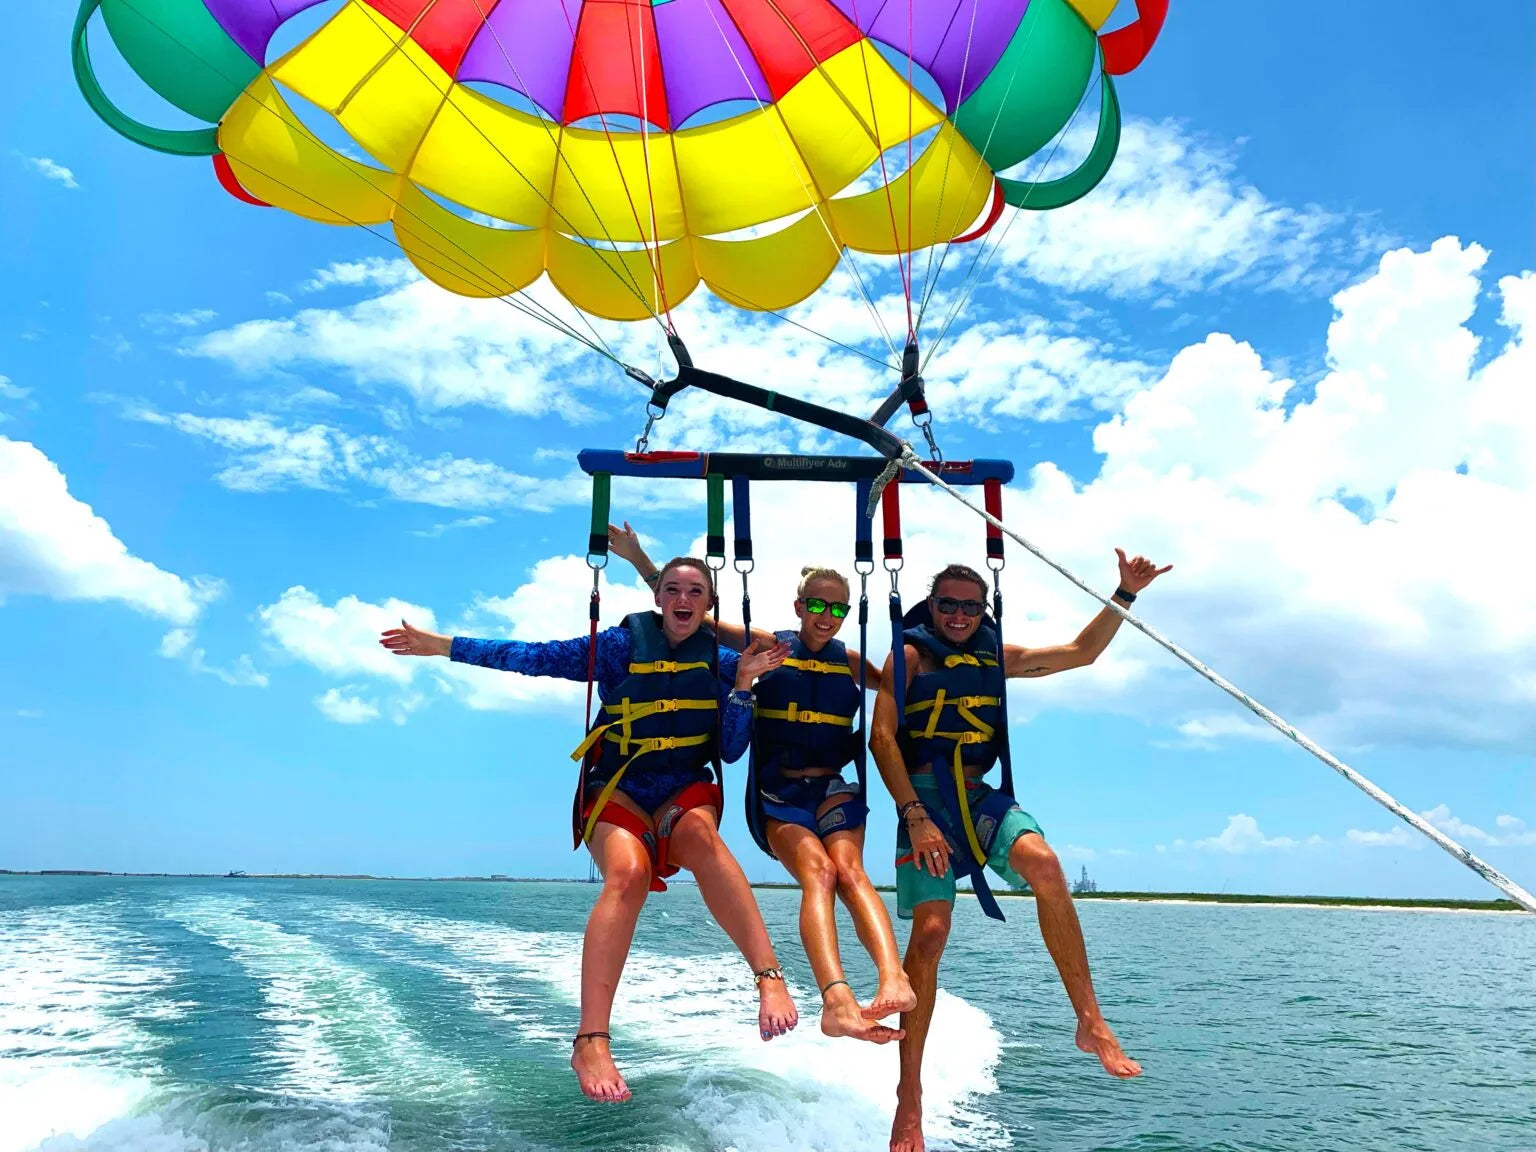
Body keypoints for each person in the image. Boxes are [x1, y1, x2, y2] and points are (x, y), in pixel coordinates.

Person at [379, 556, 799, 1104]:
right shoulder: (622, 648)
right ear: (657, 598)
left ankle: (768, 976)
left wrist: (744, 683)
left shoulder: (723, 663)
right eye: (672, 589)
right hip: (618, 784)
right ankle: (591, 1040)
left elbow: (732, 748)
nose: (683, 598)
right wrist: (444, 646)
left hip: (683, 790)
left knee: (703, 841)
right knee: (626, 873)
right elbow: (530, 657)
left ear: (709, 606)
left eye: (696, 592)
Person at [872, 550, 1171, 1152]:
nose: (958, 614)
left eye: (969, 606)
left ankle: (1090, 1020)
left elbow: (1081, 653)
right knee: (930, 933)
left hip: (979, 797)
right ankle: (910, 1096)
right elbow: (881, 738)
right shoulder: (907, 657)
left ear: (983, 611)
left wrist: (1125, 594)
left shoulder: (995, 658)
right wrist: (915, 816)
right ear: (931, 608)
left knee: (1047, 864)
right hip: (923, 803)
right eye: (947, 604)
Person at [608, 523, 917, 1046]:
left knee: (850, 869)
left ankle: (893, 977)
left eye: (838, 609)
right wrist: (641, 559)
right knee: (818, 873)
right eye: (818, 606)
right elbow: (687, 608)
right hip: (779, 795)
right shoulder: (770, 648)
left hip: (836, 787)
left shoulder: (852, 663)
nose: (827, 617)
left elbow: (917, 680)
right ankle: (836, 1000)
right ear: (799, 607)